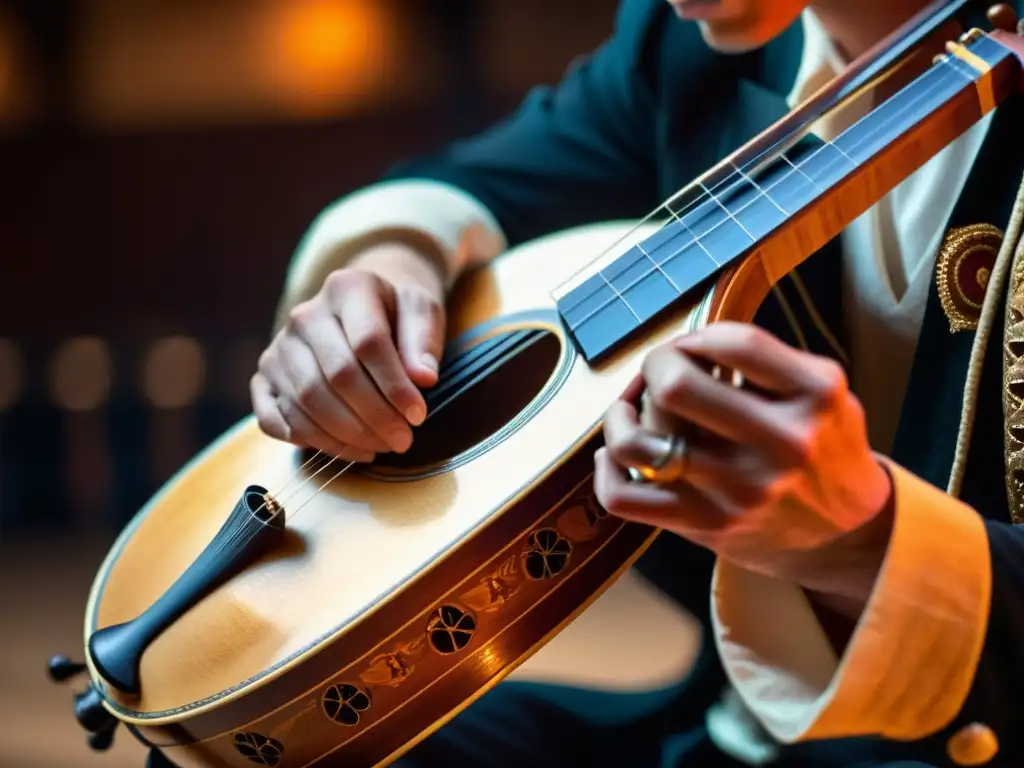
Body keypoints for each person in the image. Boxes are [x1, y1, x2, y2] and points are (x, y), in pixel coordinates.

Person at [149, 0, 1024, 766]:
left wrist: (860, 541)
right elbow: (473, 184)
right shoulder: (688, 45)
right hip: (729, 734)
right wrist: (386, 266)